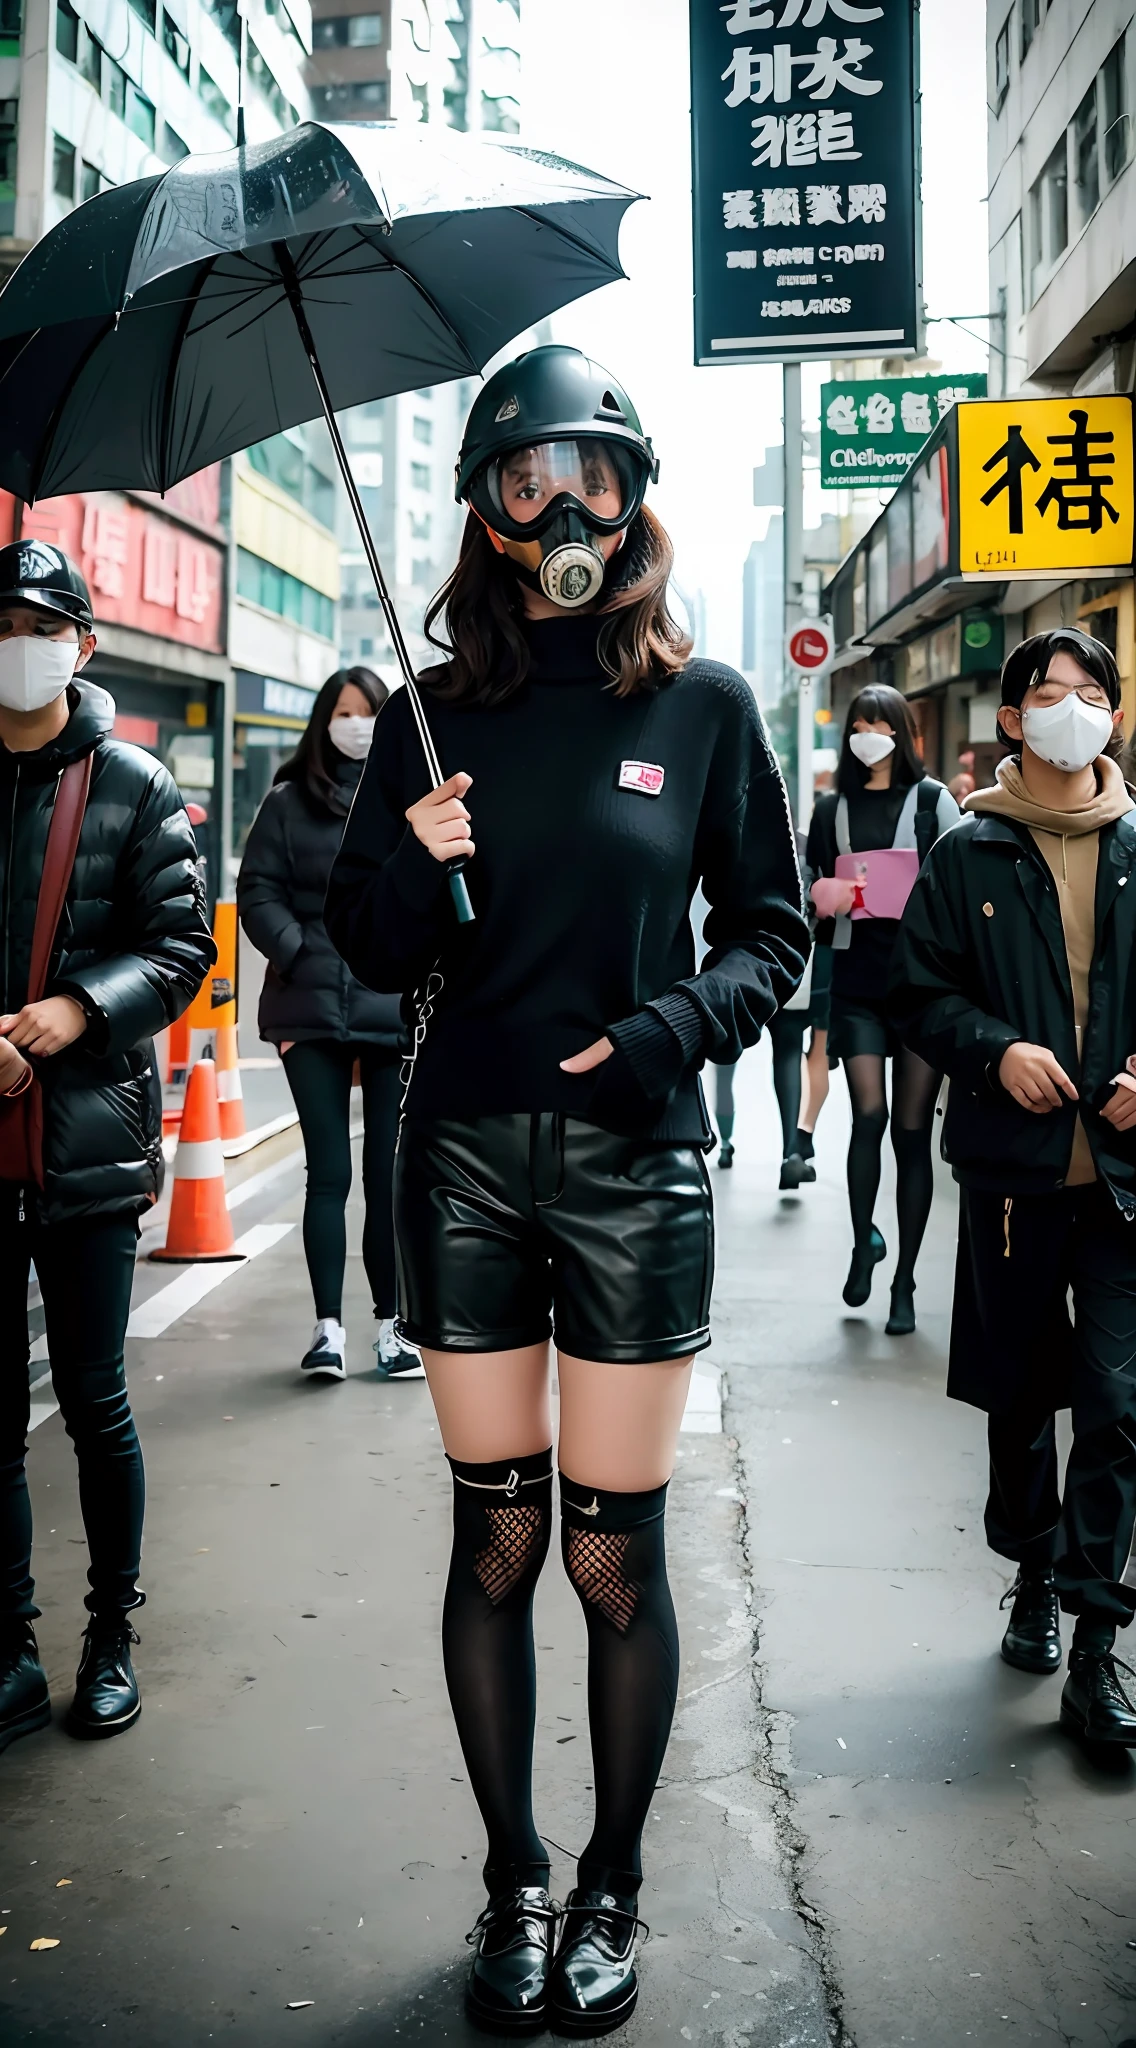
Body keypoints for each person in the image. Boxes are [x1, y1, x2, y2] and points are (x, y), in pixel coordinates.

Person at [326, 344, 806, 2036]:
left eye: (588, 470)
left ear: (634, 488)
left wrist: (666, 1031)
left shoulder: (704, 706)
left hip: (633, 1172)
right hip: (458, 1159)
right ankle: (512, 1882)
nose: (559, 508)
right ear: (482, 508)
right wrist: (414, 847)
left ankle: (613, 1882)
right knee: (497, 1539)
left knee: (612, 1558)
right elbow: (368, 950)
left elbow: (776, 936)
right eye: (522, 479)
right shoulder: (429, 716)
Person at [892, 628, 1136, 1746]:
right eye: (1048, 693)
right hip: (1011, 1172)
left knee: (1116, 1404)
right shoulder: (966, 853)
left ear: (1114, 715)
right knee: (1019, 1390)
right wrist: (992, 1049)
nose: (1070, 710)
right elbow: (917, 995)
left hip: (1125, 1180)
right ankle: (1031, 1568)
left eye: (1090, 693)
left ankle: (1095, 1634)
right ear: (1009, 719)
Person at [0, 540, 213, 1754]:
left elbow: (181, 948)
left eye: (42, 622)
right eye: (0, 622)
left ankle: (111, 1632)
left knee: (93, 1399)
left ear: (84, 643)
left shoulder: (133, 784)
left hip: (86, 1144)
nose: (17, 642)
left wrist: (76, 1009)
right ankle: (14, 1646)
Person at [237, 667, 421, 1381]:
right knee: (329, 1173)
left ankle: (391, 1326)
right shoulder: (288, 803)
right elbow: (258, 890)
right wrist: (296, 950)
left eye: (367, 713)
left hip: (387, 1005)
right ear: (323, 721)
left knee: (387, 1173)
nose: (355, 725)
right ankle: (327, 1331)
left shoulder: (407, 799)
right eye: (343, 712)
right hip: (309, 1007)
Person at [806, 686, 959, 1334]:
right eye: (860, 725)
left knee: (911, 1131)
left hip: (922, 989)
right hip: (859, 988)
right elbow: (805, 886)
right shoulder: (830, 807)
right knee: (867, 1115)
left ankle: (905, 1282)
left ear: (903, 733)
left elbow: (962, 879)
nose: (870, 734)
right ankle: (864, 1243)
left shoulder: (933, 801)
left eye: (881, 724)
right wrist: (828, 892)